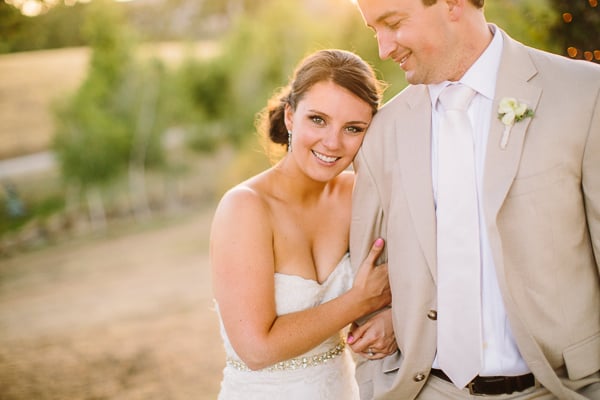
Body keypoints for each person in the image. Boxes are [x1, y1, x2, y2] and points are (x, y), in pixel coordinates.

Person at [347, 0, 600, 399]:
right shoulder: (383, 133)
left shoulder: (585, 95)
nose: (383, 48)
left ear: (452, 4)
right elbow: (370, 279)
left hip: (562, 389)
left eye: (393, 24)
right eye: (373, 30)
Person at [210, 49, 395, 400]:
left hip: (343, 389)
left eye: (353, 128)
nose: (332, 143)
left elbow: (419, 273)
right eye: (318, 120)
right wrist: (358, 301)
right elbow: (257, 349)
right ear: (291, 116)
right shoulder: (246, 207)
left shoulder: (362, 194)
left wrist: (395, 319)